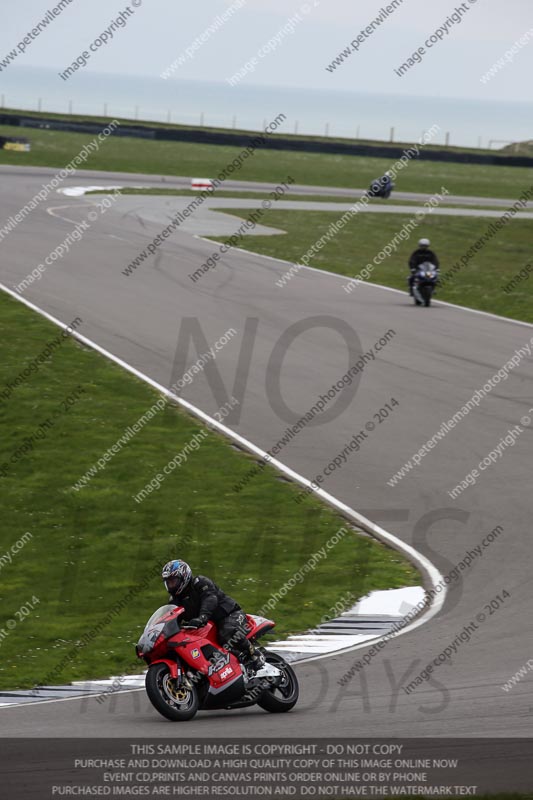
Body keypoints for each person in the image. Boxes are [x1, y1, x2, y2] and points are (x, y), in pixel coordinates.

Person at [161, 559, 265, 671]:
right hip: (207, 625)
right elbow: (172, 615)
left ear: (184, 577)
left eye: (173, 581)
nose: (171, 585)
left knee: (226, 632)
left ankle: (254, 654)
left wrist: (202, 617)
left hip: (229, 614)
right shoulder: (175, 600)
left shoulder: (200, 583)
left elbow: (210, 598)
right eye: (168, 582)